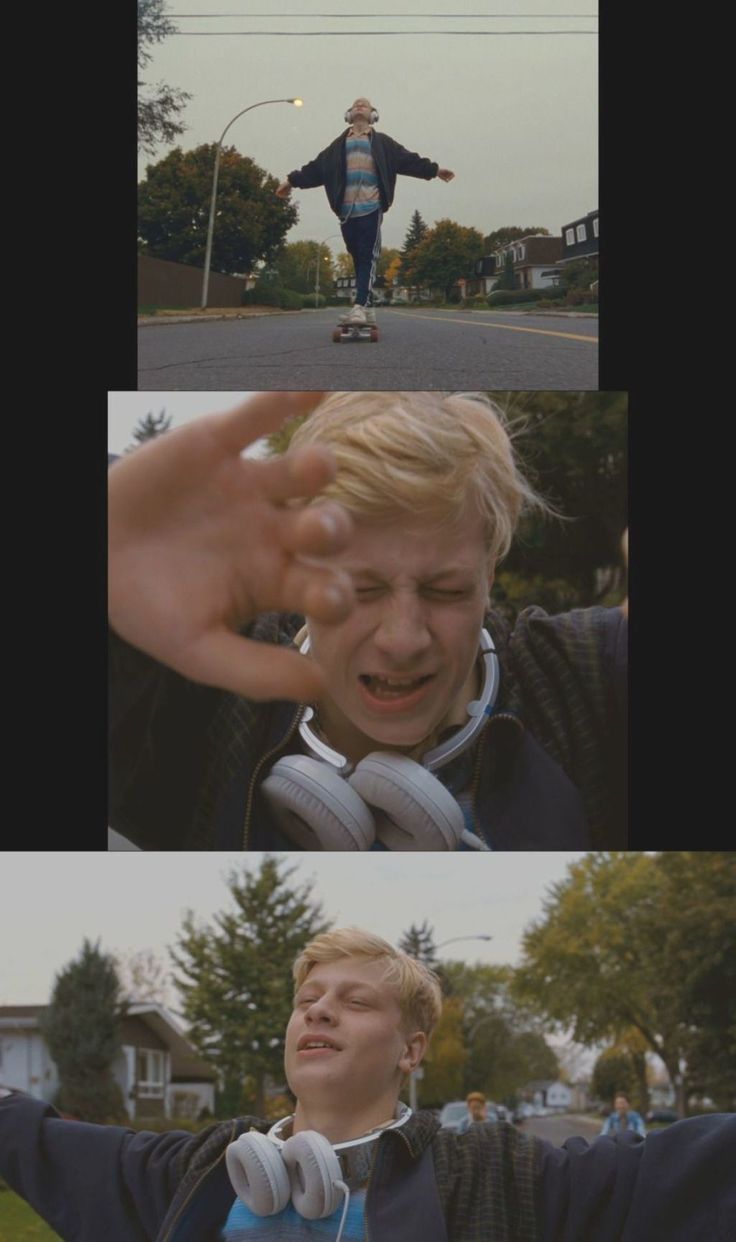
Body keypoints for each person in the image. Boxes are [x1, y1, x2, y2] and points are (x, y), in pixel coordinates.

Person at [108, 389, 627, 851]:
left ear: (489, 571)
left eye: (446, 591)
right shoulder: (197, 698)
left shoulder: (585, 679)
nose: (403, 640)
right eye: (358, 590)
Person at [2, 929, 734, 1242]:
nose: (318, 1008)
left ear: (412, 1050)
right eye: (308, 999)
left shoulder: (493, 1174)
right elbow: (36, 1141)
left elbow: (691, 1170)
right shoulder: (198, 1173)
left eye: (354, 1001)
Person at [275, 98, 454, 326]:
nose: (360, 105)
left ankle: (359, 307)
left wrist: (435, 170)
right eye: (356, 104)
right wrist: (291, 181)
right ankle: (367, 308)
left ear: (373, 115)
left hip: (371, 207)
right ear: (348, 114)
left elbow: (410, 160)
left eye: (365, 104)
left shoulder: (383, 144)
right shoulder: (336, 148)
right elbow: (315, 168)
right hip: (346, 211)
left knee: (368, 257)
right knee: (358, 258)